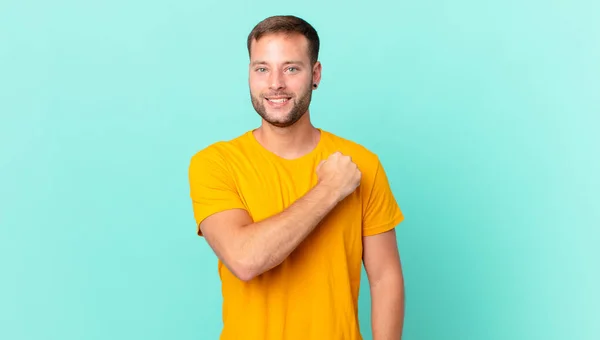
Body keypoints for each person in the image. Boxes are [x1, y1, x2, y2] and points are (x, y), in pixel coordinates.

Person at [188, 15, 405, 340]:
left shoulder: (361, 163)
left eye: (291, 68)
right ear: (249, 74)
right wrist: (330, 189)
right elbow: (245, 259)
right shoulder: (215, 164)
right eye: (262, 68)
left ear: (315, 75)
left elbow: (385, 277)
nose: (275, 83)